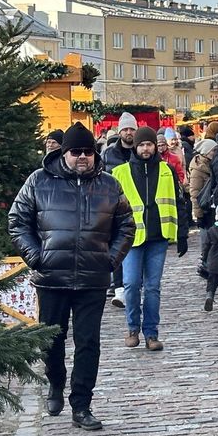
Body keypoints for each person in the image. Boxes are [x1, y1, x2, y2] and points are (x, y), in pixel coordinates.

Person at [8, 122, 135, 430]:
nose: (82, 157)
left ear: (95, 154)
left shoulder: (109, 185)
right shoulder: (39, 181)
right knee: (52, 339)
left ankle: (82, 405)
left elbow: (126, 226)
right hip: (52, 277)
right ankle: (55, 382)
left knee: (88, 343)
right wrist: (36, 256)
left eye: (88, 152)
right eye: (76, 151)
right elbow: (18, 221)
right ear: (64, 153)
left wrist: (110, 259)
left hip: (93, 277)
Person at [111, 126, 188, 352]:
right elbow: (110, 209)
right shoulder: (120, 172)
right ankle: (132, 328)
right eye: (142, 145)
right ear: (135, 147)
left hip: (158, 236)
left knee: (153, 287)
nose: (146, 148)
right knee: (131, 284)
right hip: (131, 238)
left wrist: (182, 234)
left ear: (155, 146)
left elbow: (179, 202)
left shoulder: (166, 170)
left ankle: (151, 333)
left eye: (149, 144)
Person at [102, 112, 138, 308]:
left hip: (138, 207)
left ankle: (133, 285)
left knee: (136, 248)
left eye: (132, 129)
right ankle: (119, 288)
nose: (128, 132)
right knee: (117, 245)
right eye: (125, 129)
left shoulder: (141, 151)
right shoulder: (109, 154)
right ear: (119, 131)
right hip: (115, 206)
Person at [189, 139, 218, 278]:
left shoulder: (211, 165)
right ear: (206, 152)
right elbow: (195, 193)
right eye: (213, 150)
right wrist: (199, 214)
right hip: (204, 210)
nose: (216, 152)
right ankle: (205, 266)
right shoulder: (198, 170)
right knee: (206, 240)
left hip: (211, 208)